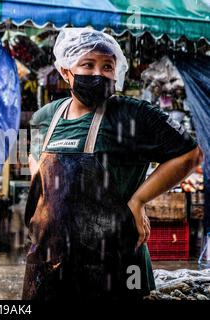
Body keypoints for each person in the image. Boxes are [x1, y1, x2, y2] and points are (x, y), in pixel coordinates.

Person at [23, 27, 202, 300]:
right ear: (65, 71)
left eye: (107, 66)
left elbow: (190, 155)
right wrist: (45, 209)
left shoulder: (132, 114)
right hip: (52, 258)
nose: (98, 73)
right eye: (88, 64)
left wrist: (139, 201)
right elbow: (36, 158)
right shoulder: (47, 116)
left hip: (117, 260)